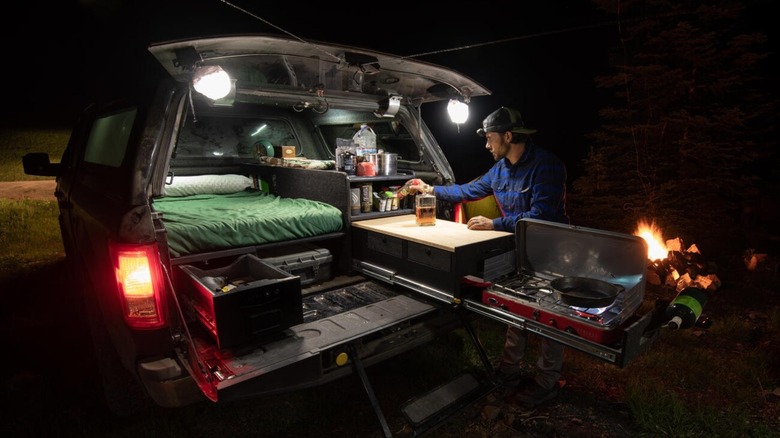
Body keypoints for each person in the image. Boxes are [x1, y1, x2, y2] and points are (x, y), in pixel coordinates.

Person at [403, 106, 570, 409]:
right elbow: (468, 190)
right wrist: (431, 189)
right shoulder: (500, 168)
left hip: (551, 251)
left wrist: (494, 224)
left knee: (549, 315)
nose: (486, 145)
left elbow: (541, 217)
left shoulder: (548, 166)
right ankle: (509, 370)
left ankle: (546, 382)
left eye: (490, 138)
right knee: (516, 308)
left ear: (508, 136)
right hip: (518, 249)